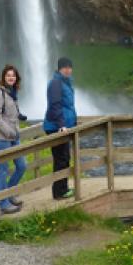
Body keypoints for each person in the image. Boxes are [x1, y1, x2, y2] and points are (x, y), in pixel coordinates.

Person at [0, 64, 27, 214]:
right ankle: (4, 203)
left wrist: (18, 125)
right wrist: (9, 132)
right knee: (3, 170)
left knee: (22, 166)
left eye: (13, 75)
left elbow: (11, 114)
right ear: (3, 77)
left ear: (16, 78)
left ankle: (9, 193)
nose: (11, 77)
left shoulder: (12, 92)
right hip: (2, 138)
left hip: (13, 137)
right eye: (8, 75)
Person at [43, 57, 77, 199]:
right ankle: (59, 192)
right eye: (65, 67)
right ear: (59, 69)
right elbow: (55, 105)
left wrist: (73, 122)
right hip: (56, 127)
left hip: (64, 126)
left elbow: (67, 106)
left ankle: (63, 189)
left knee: (65, 157)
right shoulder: (56, 83)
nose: (68, 70)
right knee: (61, 159)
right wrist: (62, 125)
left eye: (70, 67)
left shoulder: (65, 82)